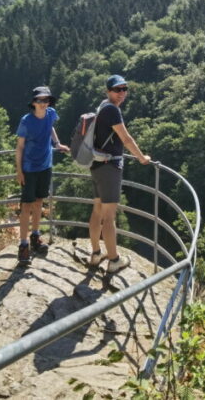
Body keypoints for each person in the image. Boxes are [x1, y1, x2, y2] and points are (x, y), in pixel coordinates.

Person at [88, 74, 151, 274]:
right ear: (108, 91)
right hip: (109, 167)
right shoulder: (112, 111)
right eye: (117, 89)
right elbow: (126, 138)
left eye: (124, 89)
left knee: (97, 210)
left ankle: (96, 253)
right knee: (108, 216)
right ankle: (114, 260)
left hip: (97, 164)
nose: (122, 93)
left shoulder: (102, 106)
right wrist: (142, 158)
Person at [15, 85, 69, 264]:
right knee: (26, 207)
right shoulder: (26, 121)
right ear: (33, 102)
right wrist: (19, 171)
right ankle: (23, 246)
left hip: (45, 166)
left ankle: (35, 237)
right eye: (40, 100)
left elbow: (51, 127)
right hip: (29, 168)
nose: (43, 103)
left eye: (46, 100)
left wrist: (57, 143)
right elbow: (20, 146)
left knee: (39, 203)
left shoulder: (51, 113)